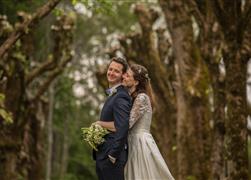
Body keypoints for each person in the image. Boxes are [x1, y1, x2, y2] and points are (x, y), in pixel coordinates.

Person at [97, 64, 175, 180]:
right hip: (130, 142)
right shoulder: (131, 96)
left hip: (139, 143)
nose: (124, 77)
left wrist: (100, 123)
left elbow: (125, 125)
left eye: (128, 76)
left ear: (136, 82)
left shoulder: (141, 98)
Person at [94, 57, 132, 180]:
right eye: (110, 69)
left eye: (116, 71)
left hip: (111, 157)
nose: (111, 73)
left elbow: (122, 126)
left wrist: (113, 155)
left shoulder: (121, 96)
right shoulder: (114, 95)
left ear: (123, 75)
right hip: (103, 154)